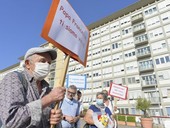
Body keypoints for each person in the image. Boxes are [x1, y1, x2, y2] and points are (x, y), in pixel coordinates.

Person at [0, 47, 66, 128]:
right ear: (28, 64)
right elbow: (11, 121)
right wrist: (49, 98)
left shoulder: (48, 89)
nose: (47, 65)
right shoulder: (13, 78)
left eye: (49, 63)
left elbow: (52, 123)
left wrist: (56, 120)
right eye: (42, 61)